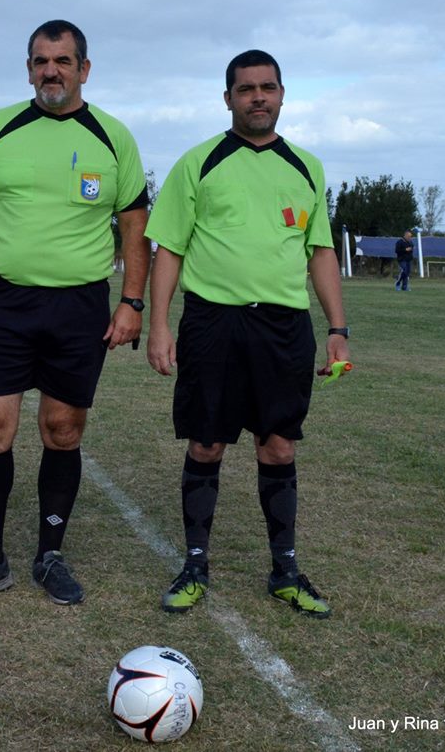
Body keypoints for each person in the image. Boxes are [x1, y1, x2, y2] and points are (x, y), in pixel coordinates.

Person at [0, 19, 150, 607]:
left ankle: (49, 554)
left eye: (62, 60)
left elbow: (135, 228)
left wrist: (131, 301)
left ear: (85, 69)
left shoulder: (114, 139)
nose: (50, 71)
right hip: (3, 301)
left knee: (63, 429)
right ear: (29, 68)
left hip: (79, 305)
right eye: (40, 61)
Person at [146, 50, 350, 619]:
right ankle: (194, 564)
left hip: (284, 326)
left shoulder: (308, 167)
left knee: (278, 442)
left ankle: (284, 569)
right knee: (207, 441)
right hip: (214, 322)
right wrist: (160, 326)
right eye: (245, 89)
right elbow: (170, 250)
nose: (257, 97)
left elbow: (320, 251)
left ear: (282, 94)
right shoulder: (199, 162)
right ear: (228, 98)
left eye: (267, 88)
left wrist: (338, 328)